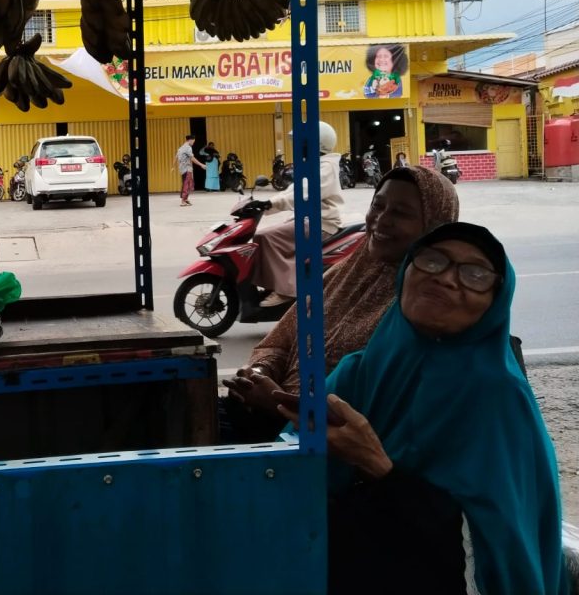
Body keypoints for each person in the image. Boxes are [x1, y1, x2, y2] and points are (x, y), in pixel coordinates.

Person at [276, 223, 570, 595]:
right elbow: (284, 473)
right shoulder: (361, 370)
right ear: (406, 272)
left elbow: (494, 543)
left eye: (475, 275)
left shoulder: (496, 396)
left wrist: (376, 464)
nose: (445, 278)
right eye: (432, 260)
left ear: (496, 301)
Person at [222, 165, 459, 443]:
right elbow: (280, 341)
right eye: (377, 206)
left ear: (434, 226)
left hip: (317, 444)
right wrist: (259, 373)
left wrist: (280, 405)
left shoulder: (425, 306)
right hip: (267, 417)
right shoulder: (343, 274)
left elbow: (379, 415)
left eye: (401, 213)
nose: (381, 220)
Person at [251, 122, 344, 307]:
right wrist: (265, 205)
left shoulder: (326, 167)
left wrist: (271, 204)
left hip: (321, 223)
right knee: (264, 237)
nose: (298, 147)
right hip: (308, 219)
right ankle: (275, 284)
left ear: (316, 143)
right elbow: (292, 191)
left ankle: (286, 291)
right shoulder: (315, 164)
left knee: (266, 237)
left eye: (302, 142)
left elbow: (304, 193)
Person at [174, 134, 205, 207]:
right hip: (187, 168)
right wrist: (201, 164)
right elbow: (192, 158)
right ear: (191, 140)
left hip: (183, 169)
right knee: (187, 184)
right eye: (193, 141)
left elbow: (176, 157)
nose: (193, 143)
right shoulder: (188, 147)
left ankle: (186, 199)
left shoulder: (180, 148)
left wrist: (173, 166)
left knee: (188, 184)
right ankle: (183, 201)